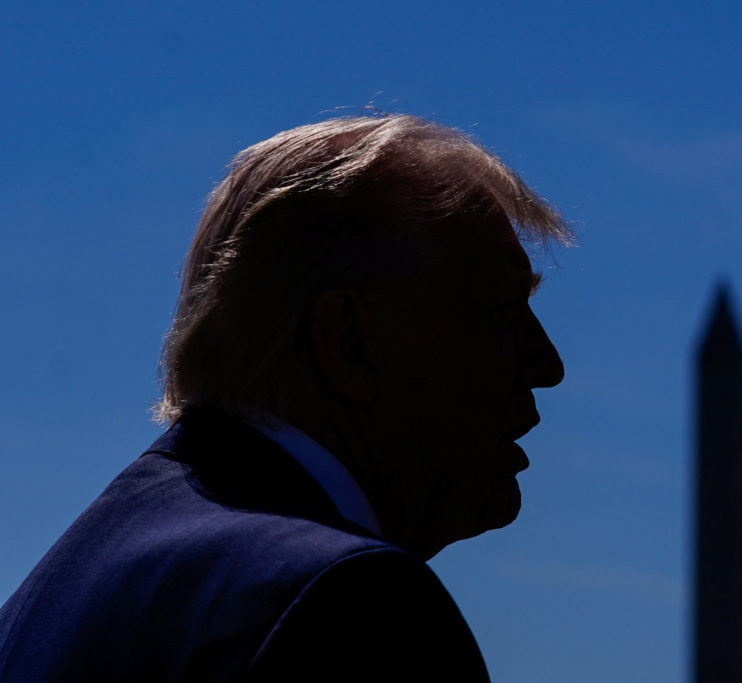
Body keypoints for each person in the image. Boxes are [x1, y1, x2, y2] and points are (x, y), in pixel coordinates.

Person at [0, 114, 572, 681]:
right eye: (499, 313)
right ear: (349, 343)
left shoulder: (46, 606)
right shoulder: (346, 608)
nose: (547, 365)